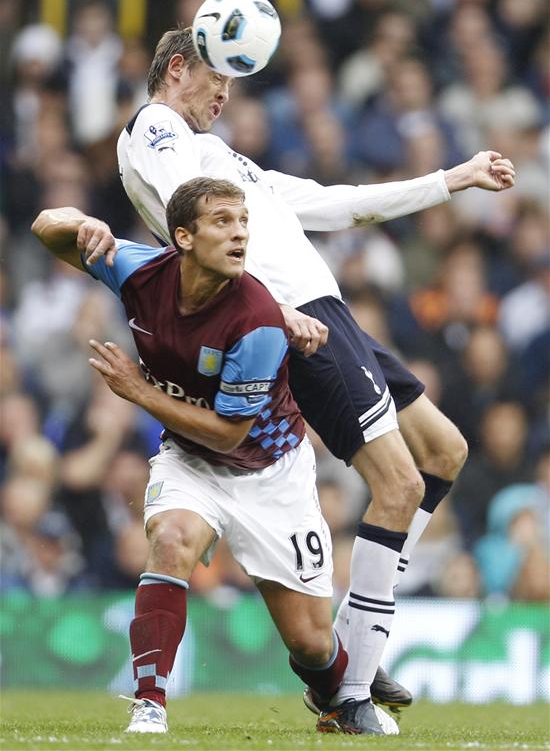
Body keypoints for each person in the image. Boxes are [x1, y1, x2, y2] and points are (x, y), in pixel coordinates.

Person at [116, 27, 515, 734]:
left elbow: (338, 203)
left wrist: (453, 178)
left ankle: (358, 645)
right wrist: (272, 310)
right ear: (178, 69)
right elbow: (191, 215)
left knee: (444, 450)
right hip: (297, 315)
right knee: (401, 485)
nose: (226, 93)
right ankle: (351, 689)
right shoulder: (156, 129)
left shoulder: (221, 157)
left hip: (326, 309)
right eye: (218, 78)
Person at [31, 176, 398, 734]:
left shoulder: (256, 317)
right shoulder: (137, 270)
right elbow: (44, 229)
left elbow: (230, 433)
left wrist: (140, 393)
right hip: (190, 460)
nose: (239, 235)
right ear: (182, 236)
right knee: (172, 540)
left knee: (312, 643)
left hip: (269, 471)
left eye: (243, 222)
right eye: (223, 222)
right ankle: (149, 704)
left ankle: (342, 696)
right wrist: (83, 224)